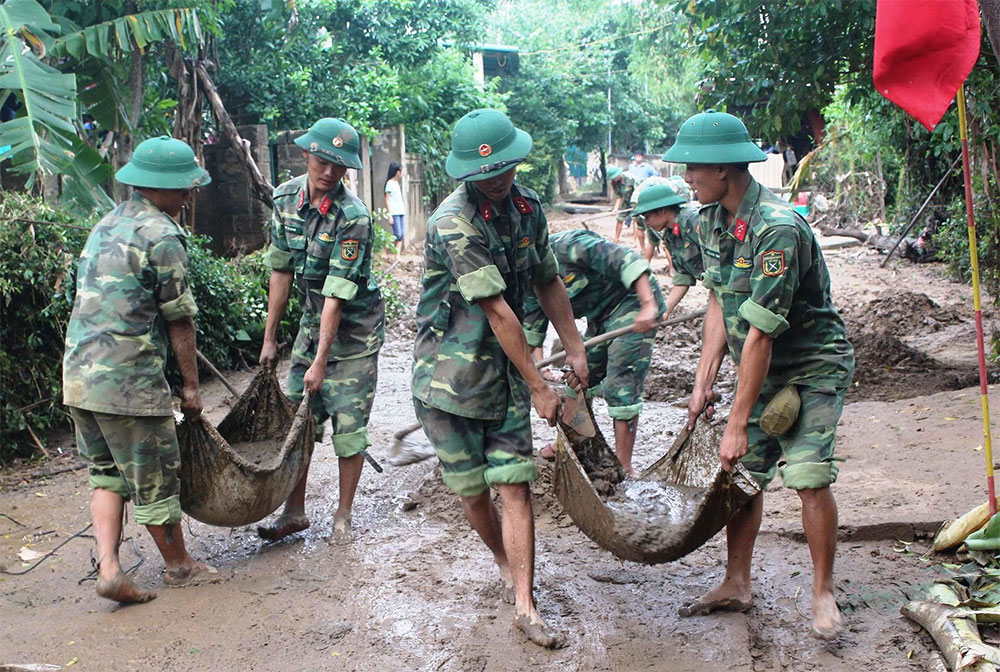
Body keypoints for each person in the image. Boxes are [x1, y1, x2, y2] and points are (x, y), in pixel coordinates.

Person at [663, 110, 855, 639]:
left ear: (725, 169)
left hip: (812, 365)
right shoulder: (707, 221)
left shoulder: (777, 229)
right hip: (757, 361)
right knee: (742, 479)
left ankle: (822, 593)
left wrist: (735, 422)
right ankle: (736, 582)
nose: (686, 178)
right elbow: (720, 304)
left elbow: (763, 334)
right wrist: (702, 382)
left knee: (808, 475)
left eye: (694, 169)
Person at [412, 108, 589, 649]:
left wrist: (576, 344)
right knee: (472, 495)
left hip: (506, 376)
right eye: (486, 172)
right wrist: (539, 384)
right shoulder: (453, 221)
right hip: (449, 382)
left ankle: (525, 605)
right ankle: (502, 559)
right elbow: (498, 312)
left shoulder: (527, 205)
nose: (498, 178)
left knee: (515, 485)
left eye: (506, 166)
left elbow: (547, 279)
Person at [62, 136, 216, 603]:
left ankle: (109, 568)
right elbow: (180, 319)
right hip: (128, 382)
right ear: (159, 187)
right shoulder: (163, 236)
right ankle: (180, 566)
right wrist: (190, 387)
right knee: (156, 479)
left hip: (80, 376)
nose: (189, 194)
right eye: (183, 187)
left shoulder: (106, 223)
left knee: (107, 475)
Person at [257, 117, 386, 545]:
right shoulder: (285, 198)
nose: (329, 172)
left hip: (355, 336)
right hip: (312, 326)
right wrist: (270, 337)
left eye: (339, 166)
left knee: (349, 431)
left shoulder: (354, 218)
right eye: (323, 160)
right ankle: (294, 511)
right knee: (299, 424)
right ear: (306, 153)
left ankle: (343, 515)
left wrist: (319, 363)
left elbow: (337, 294)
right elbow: (281, 269)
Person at [523, 229, 665, 476]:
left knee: (621, 382)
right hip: (599, 317)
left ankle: (623, 466)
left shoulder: (571, 247)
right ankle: (571, 444)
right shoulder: (526, 280)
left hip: (631, 303)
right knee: (576, 376)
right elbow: (532, 335)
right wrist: (540, 369)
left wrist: (648, 306)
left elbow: (629, 261)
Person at [633, 183, 704, 320]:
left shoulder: (695, 222)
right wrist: (665, 311)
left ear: (662, 211)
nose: (646, 222)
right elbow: (683, 277)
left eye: (647, 216)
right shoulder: (671, 235)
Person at [608, 165, 635, 244]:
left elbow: (638, 191)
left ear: (619, 174)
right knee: (619, 218)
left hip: (635, 200)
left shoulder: (630, 178)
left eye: (615, 177)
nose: (614, 179)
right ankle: (616, 238)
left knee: (635, 219)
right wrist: (616, 209)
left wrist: (637, 204)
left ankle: (634, 241)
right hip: (626, 201)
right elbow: (619, 196)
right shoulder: (614, 183)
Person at [384, 161, 406, 255]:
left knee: (400, 235)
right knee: (397, 234)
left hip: (401, 212)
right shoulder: (389, 183)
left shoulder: (396, 183)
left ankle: (397, 255)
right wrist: (390, 215)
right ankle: (384, 251)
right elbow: (387, 199)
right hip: (394, 213)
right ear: (397, 172)